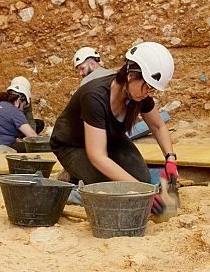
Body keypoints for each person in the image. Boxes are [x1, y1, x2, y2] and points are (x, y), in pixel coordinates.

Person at [52, 41, 178, 213]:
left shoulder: (139, 95)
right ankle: (71, 178)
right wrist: (140, 192)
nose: (149, 93)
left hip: (109, 139)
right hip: (73, 145)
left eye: (152, 89)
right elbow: (97, 156)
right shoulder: (94, 97)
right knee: (113, 188)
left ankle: (83, 174)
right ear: (131, 75)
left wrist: (170, 159)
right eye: (147, 86)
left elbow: (157, 126)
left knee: (142, 179)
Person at [0, 80, 38, 152]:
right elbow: (32, 136)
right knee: (32, 148)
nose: (23, 109)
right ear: (19, 100)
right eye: (24, 105)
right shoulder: (14, 110)